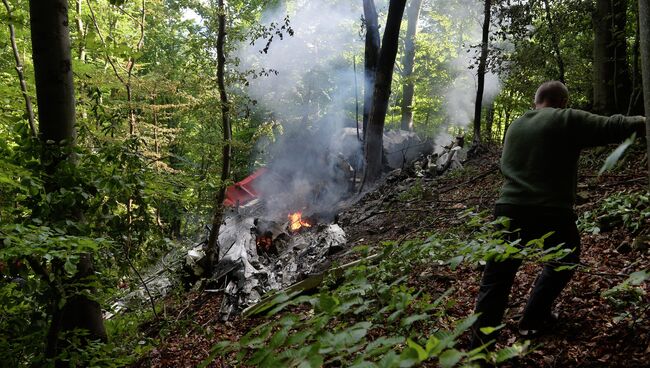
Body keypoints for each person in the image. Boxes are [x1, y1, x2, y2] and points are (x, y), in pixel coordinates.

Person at [471, 81, 646, 348]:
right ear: (562, 101)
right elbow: (614, 125)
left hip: (507, 208)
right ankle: (532, 318)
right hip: (550, 210)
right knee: (565, 259)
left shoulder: (515, 126)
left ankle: (479, 351)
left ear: (536, 101)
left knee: (496, 280)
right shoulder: (565, 118)